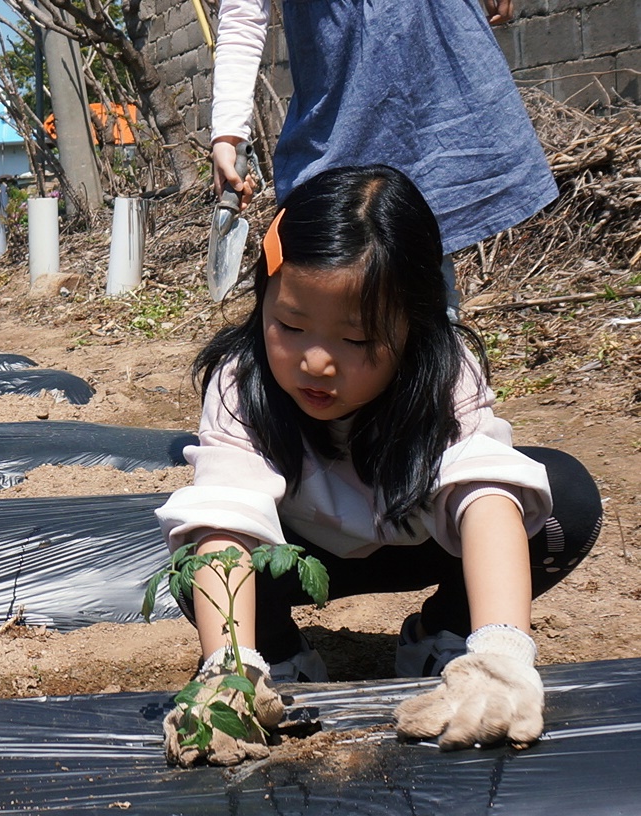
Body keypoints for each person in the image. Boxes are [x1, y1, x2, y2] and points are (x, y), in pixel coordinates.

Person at [155, 165, 600, 765]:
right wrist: (226, 674)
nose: (316, 361)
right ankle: (277, 663)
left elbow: (487, 494)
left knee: (561, 502)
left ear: (414, 327)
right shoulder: (242, 384)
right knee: (201, 554)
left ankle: (445, 636)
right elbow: (228, 521)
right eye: (289, 324)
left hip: (421, 540)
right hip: (300, 557)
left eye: (358, 340)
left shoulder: (444, 374)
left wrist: (502, 650)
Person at [209, 0, 553, 308]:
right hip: (342, 114)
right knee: (334, 268)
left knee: (424, 281)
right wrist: (228, 131)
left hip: (434, 95)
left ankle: (434, 365)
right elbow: (243, 15)